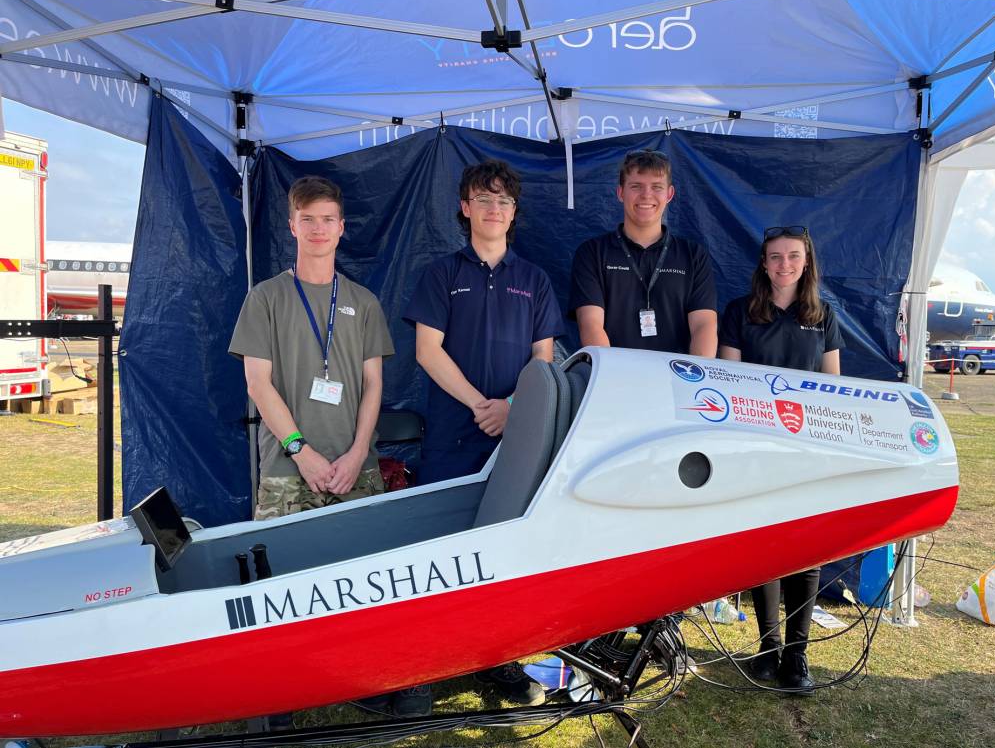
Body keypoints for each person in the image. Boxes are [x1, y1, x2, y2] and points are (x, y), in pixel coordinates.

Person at [403, 159, 565, 710]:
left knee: (505, 554)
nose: (494, 209)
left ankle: (498, 660)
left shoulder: (534, 281)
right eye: (483, 198)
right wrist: (480, 405)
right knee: (438, 553)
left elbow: (545, 364)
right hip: (453, 436)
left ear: (514, 213)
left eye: (504, 201)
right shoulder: (442, 274)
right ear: (465, 207)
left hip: (514, 442)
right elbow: (428, 351)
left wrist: (513, 409)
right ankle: (422, 667)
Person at [718, 224, 844, 696]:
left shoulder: (824, 315)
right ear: (763, 263)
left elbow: (834, 387)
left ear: (806, 261)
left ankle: (797, 653)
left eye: (793, 256)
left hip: (806, 451)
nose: (784, 264)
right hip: (754, 449)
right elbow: (725, 380)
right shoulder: (740, 312)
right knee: (764, 549)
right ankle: (767, 648)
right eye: (775, 257)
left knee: (805, 551)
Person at [229, 175, 394, 518]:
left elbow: (373, 383)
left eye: (327, 219)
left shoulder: (364, 302)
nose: (318, 229)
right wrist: (301, 452)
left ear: (341, 227)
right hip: (285, 470)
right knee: (285, 565)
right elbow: (257, 383)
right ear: (292, 226)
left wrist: (359, 452)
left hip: (355, 470)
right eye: (308, 219)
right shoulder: (264, 298)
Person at [570, 149, 717, 357]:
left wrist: (693, 379)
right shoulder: (592, 253)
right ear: (621, 192)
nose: (646, 195)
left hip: (675, 381)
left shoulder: (694, 255)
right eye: (636, 186)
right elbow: (590, 325)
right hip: (616, 379)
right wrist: (617, 379)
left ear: (669, 194)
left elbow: (704, 325)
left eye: (656, 187)